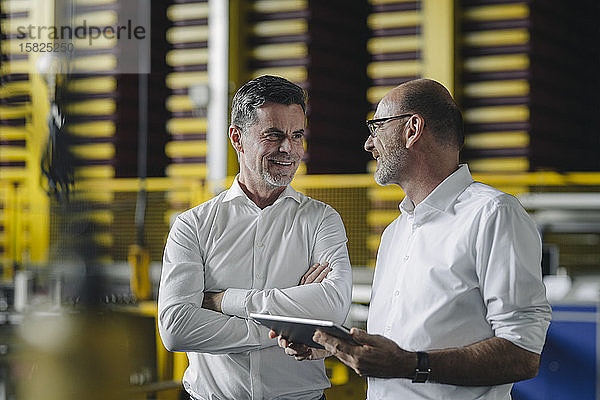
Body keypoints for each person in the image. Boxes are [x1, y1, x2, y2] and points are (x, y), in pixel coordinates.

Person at [277, 78, 551, 399]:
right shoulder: (396, 231)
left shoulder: (493, 214)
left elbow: (523, 354)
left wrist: (410, 365)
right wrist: (333, 348)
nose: (368, 144)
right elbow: (398, 345)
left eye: (376, 127)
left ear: (412, 129)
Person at [158, 75, 353, 400]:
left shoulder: (322, 220)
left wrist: (225, 302)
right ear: (237, 138)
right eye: (274, 135)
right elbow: (176, 329)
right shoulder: (192, 225)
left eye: (297, 135)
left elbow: (332, 308)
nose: (288, 148)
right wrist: (291, 324)